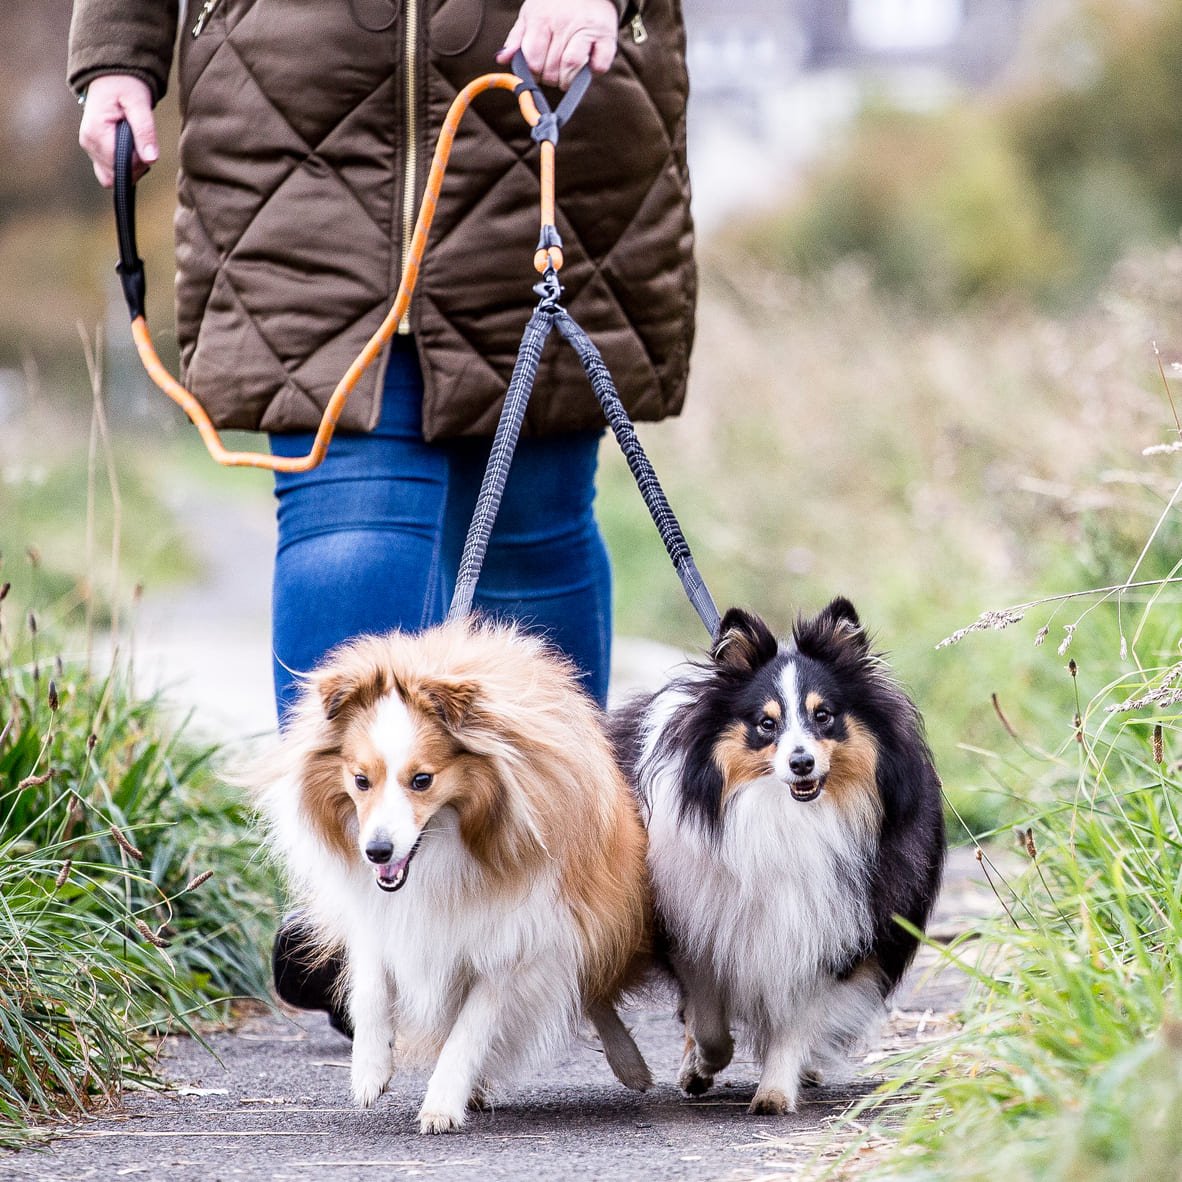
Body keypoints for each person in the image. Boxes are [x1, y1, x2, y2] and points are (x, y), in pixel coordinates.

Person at [68, 0, 695, 1030]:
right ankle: (360, 916)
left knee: (531, 525)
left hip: (535, 106)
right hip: (292, 126)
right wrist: (117, 55)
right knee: (350, 515)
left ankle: (542, 900)